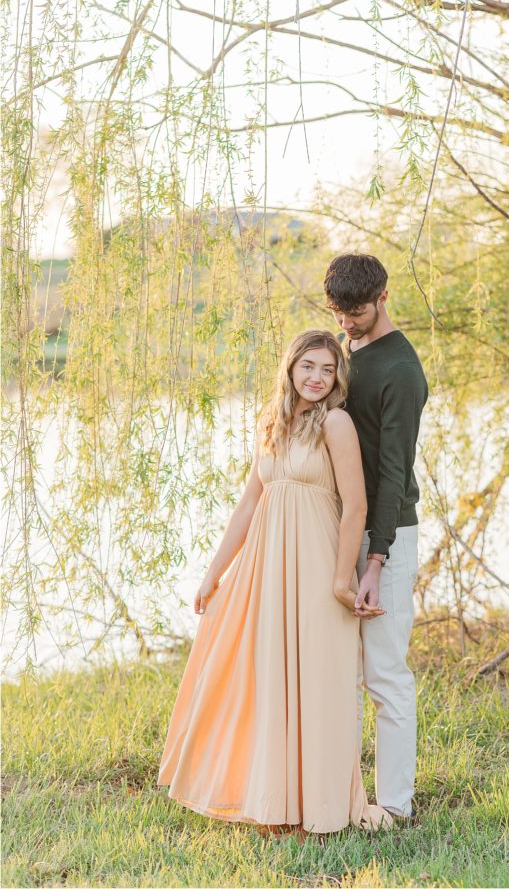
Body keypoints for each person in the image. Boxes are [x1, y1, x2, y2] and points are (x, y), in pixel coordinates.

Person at [157, 329, 393, 835]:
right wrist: (212, 572)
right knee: (271, 682)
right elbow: (248, 504)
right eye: (308, 366)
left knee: (320, 681)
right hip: (268, 567)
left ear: (336, 378)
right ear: (290, 369)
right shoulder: (274, 424)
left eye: (327, 369)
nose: (316, 377)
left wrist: (340, 578)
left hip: (318, 563)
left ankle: (322, 809)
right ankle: (275, 803)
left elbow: (356, 505)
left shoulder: (337, 423)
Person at [324, 254, 429, 823]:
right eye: (338, 312)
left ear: (384, 296)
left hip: (386, 533)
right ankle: (340, 796)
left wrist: (375, 560)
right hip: (340, 529)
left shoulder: (402, 370)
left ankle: (395, 806)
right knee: (340, 671)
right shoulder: (346, 353)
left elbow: (394, 470)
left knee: (386, 674)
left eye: (357, 312)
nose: (347, 322)